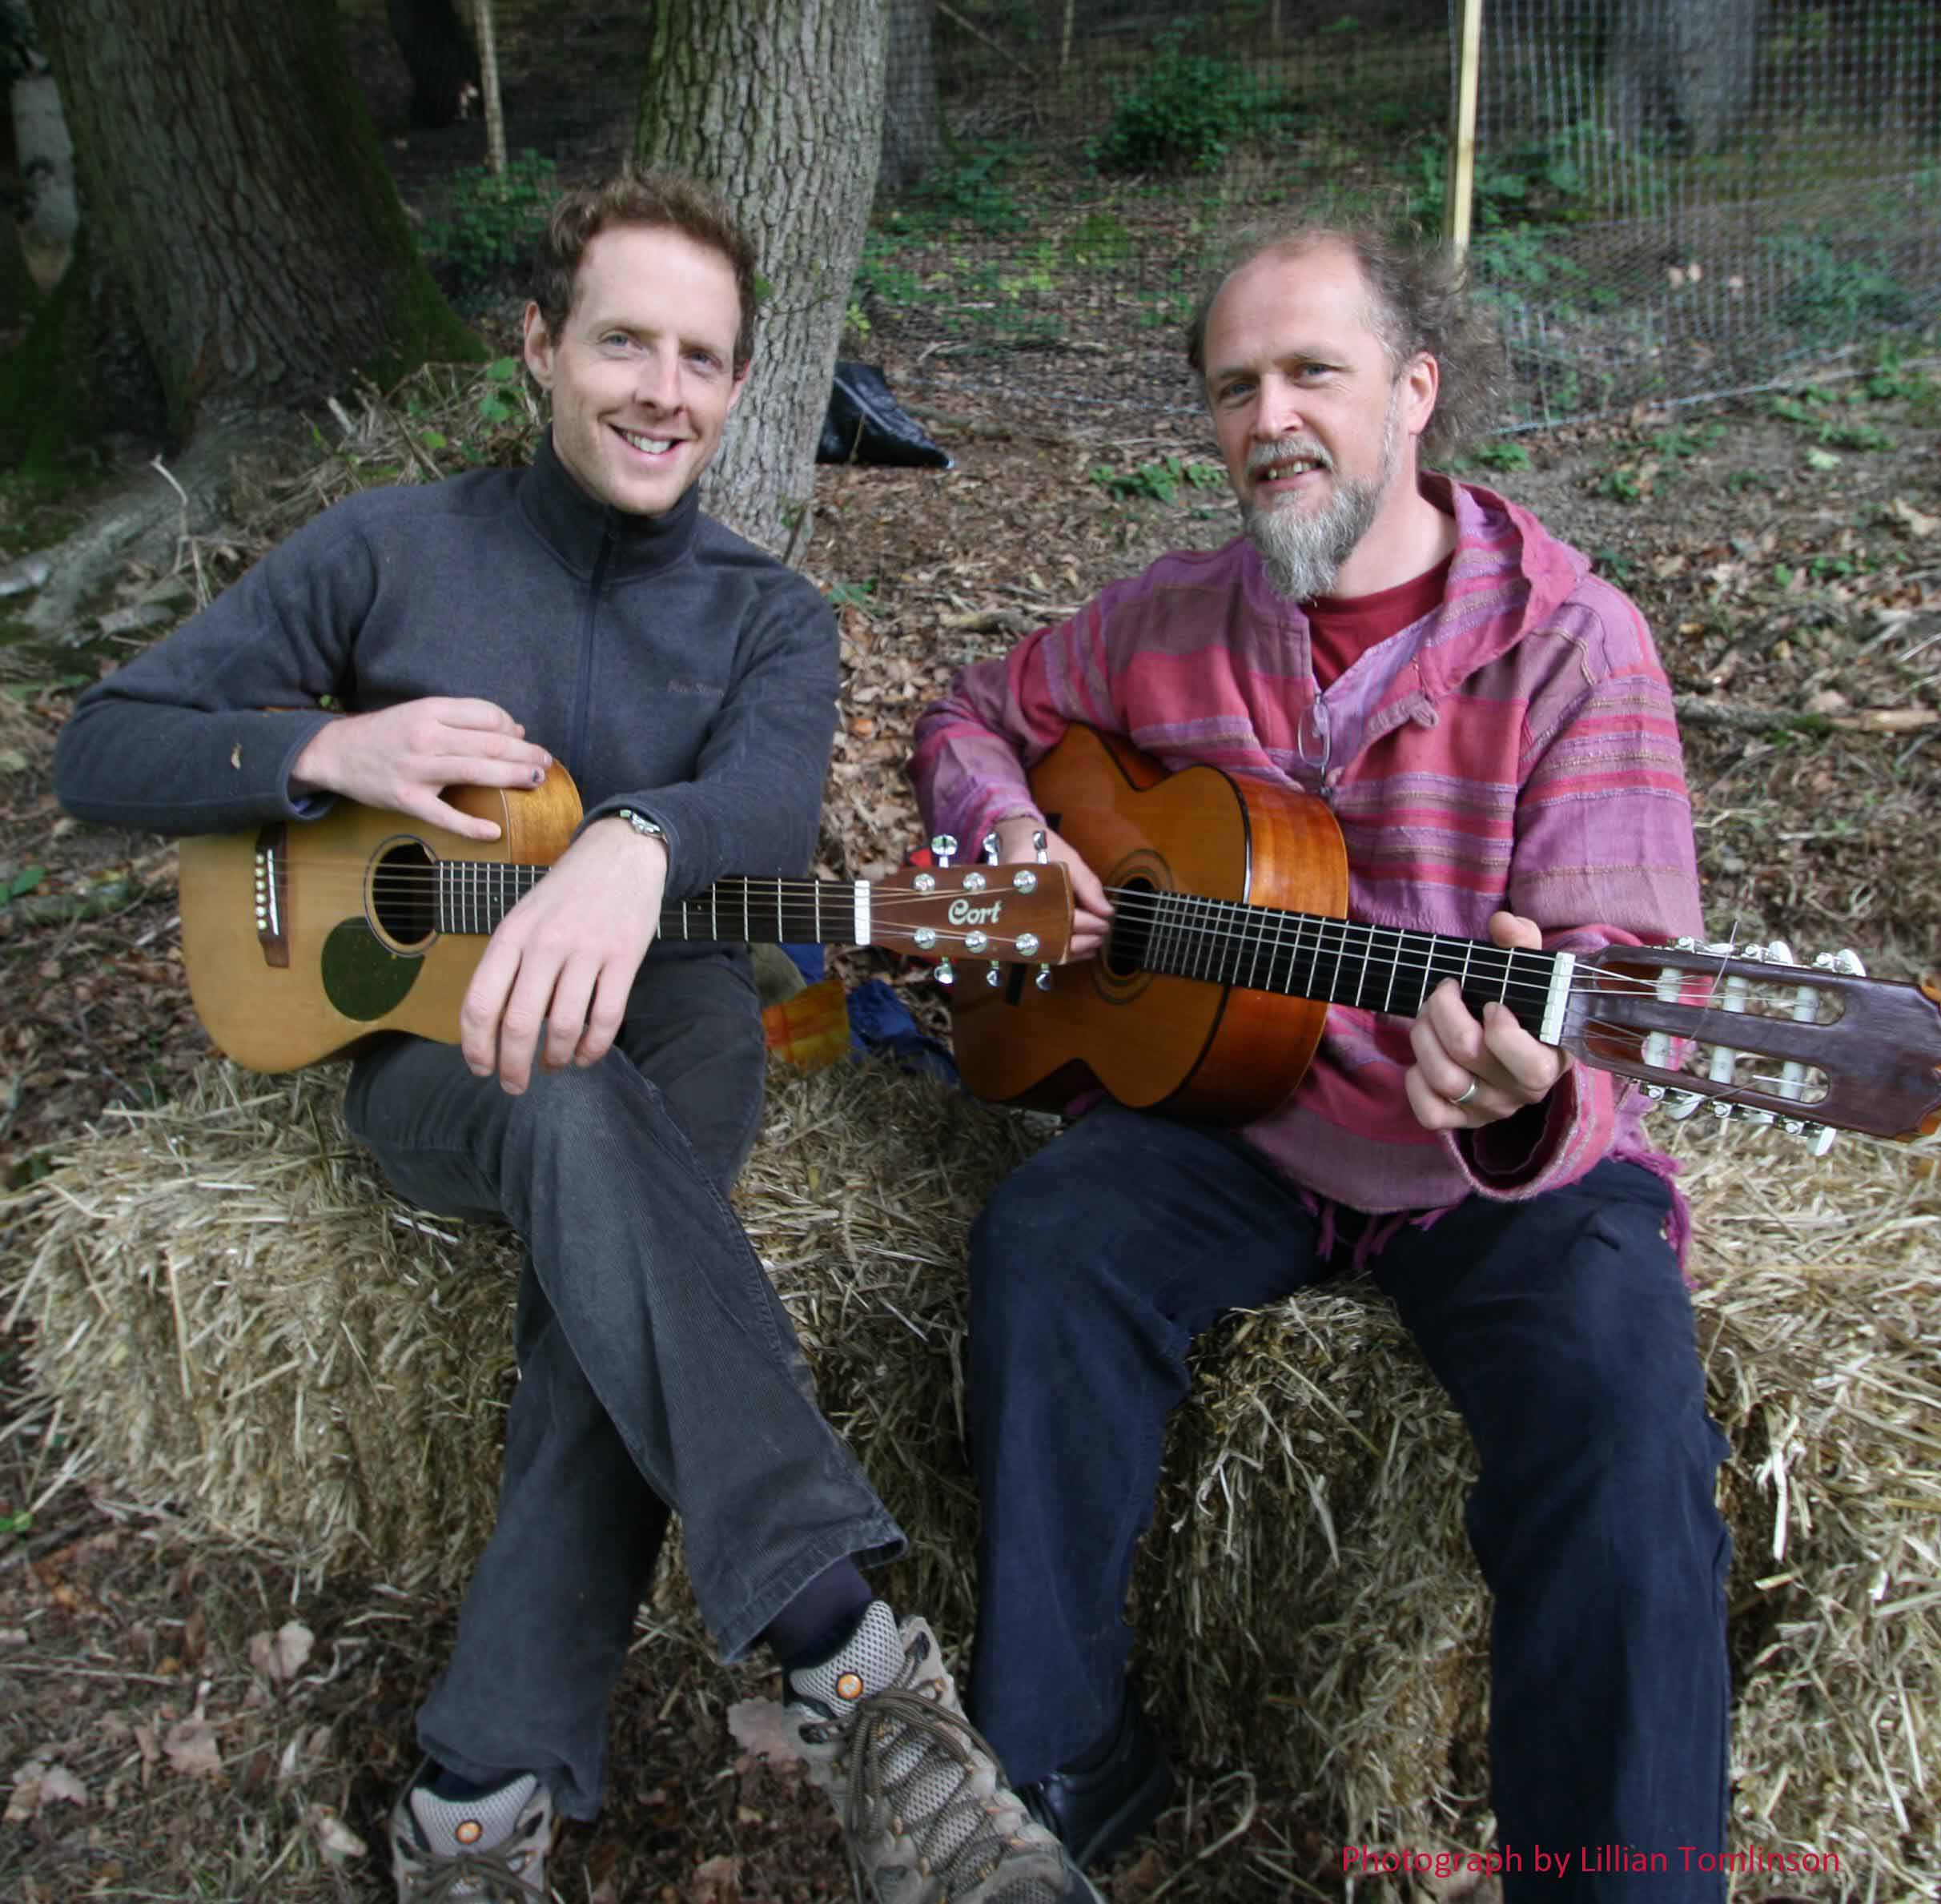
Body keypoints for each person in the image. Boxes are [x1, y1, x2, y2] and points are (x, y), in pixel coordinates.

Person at [55, 170, 1095, 1904]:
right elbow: (103, 743)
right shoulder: (387, 548)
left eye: (702, 359)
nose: (661, 392)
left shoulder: (770, 616)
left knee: (619, 1214)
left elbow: (764, 808)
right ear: (540, 344)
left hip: (676, 1017)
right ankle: (856, 1669)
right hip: (420, 1043)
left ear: (739, 387)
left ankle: (472, 1799)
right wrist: (321, 753)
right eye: (623, 342)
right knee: (558, 1106)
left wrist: (638, 838)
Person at [909, 219, 1729, 1900]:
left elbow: (1621, 982)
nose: (1268, 417)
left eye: (1311, 373)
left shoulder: (1575, 643)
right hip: (1241, 1121)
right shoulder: (1167, 620)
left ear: (1416, 390)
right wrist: (1016, 840)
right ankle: (1050, 1767)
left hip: (1480, 1169)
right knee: (1046, 1242)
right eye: (1235, 387)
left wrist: (1531, 1091)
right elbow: (966, 716)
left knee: (1623, 1398)